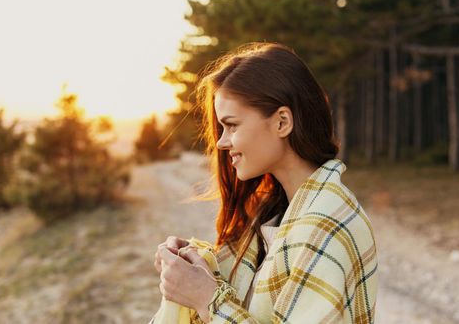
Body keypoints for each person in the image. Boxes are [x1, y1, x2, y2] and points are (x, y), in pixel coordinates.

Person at [153, 42, 378, 323]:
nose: (222, 142)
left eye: (232, 125)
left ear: (282, 122)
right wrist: (195, 263)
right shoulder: (274, 214)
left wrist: (206, 299)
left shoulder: (325, 225)